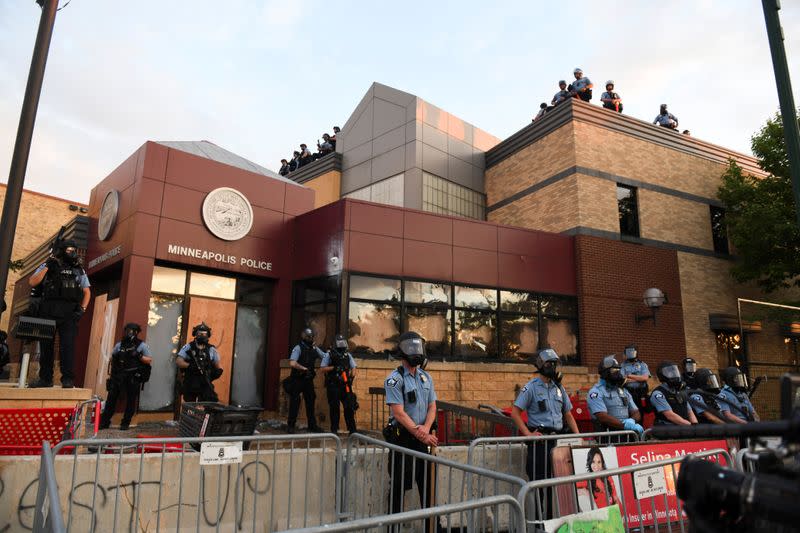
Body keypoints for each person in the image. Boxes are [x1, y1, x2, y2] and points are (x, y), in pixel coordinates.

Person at [510, 348, 578, 520]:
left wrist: (578, 437)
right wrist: (528, 434)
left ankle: (550, 522)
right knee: (539, 486)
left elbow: (568, 414)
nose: (553, 367)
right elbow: (515, 412)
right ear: (540, 364)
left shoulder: (558, 388)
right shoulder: (531, 387)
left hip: (557, 442)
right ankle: (539, 524)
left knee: (555, 486)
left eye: (555, 364)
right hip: (540, 444)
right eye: (549, 363)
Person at [384, 331, 438, 521]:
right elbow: (399, 413)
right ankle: (393, 527)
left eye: (418, 347)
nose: (416, 351)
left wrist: (426, 428)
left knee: (429, 489)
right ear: (403, 351)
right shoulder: (394, 380)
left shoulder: (426, 378)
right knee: (399, 489)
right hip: (403, 440)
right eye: (412, 348)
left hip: (423, 439)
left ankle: (433, 528)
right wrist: (421, 433)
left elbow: (433, 406)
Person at [28, 239, 91, 388]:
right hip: (47, 311)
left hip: (69, 314)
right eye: (70, 250)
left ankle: (68, 379)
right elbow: (32, 282)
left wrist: (82, 310)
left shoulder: (78, 269)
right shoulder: (48, 265)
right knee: (46, 347)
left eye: (74, 250)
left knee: (67, 347)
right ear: (62, 250)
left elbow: (87, 291)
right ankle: (45, 379)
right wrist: (47, 266)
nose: (73, 253)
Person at [99, 323, 153, 430]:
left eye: (132, 330)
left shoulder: (141, 345)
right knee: (111, 399)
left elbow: (149, 360)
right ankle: (104, 422)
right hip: (119, 375)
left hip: (133, 376)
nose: (129, 332)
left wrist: (138, 355)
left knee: (131, 400)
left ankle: (125, 423)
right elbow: (112, 357)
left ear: (136, 332)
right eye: (128, 330)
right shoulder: (120, 345)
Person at [587, 355, 643, 439]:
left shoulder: (624, 391)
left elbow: (636, 412)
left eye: (618, 370)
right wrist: (624, 425)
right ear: (605, 372)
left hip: (627, 436)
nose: (618, 373)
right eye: (614, 370)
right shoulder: (596, 392)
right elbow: (602, 416)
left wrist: (632, 421)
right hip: (607, 437)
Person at [286, 328, 326, 433]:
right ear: (304, 337)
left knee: (310, 401)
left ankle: (312, 425)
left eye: (312, 337)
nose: (311, 339)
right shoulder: (298, 348)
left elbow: (325, 357)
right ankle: (291, 425)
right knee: (295, 402)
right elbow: (292, 363)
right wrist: (303, 368)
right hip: (297, 379)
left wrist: (333, 354)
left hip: (308, 380)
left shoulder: (314, 348)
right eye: (309, 337)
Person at [175, 322, 223, 402]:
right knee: (190, 407)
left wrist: (218, 372)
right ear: (195, 334)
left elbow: (218, 365)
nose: (202, 336)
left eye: (204, 334)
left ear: (208, 335)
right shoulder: (188, 347)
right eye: (199, 334)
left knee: (207, 404)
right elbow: (178, 361)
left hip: (205, 382)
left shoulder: (211, 349)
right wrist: (190, 366)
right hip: (191, 381)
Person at [320, 334, 358, 435]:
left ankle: (352, 430)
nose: (341, 345)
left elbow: (354, 367)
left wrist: (351, 377)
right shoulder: (329, 354)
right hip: (333, 385)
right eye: (339, 343)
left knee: (349, 407)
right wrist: (334, 368)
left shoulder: (347, 355)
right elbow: (322, 368)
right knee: (334, 408)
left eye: (343, 343)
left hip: (345, 385)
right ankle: (334, 429)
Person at [649, 361, 697, 426]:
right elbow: (670, 416)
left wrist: (695, 425)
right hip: (668, 428)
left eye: (675, 372)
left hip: (684, 427)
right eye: (670, 373)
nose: (674, 375)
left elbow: (690, 412)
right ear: (662, 375)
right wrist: (691, 426)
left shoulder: (679, 391)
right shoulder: (658, 394)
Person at [620, 344, 650, 410]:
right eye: (629, 352)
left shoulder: (642, 364)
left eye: (632, 352)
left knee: (642, 411)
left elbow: (645, 378)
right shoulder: (623, 365)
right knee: (630, 410)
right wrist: (639, 378)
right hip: (629, 392)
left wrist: (629, 375)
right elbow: (622, 379)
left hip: (641, 393)